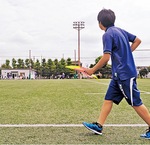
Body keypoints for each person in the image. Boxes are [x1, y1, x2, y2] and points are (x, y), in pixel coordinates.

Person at [83, 8, 150, 139]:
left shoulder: (107, 34)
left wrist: (92, 70)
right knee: (108, 99)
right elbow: (138, 40)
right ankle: (99, 125)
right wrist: (127, 53)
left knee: (135, 102)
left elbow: (106, 57)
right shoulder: (120, 31)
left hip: (124, 74)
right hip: (117, 75)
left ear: (100, 23)